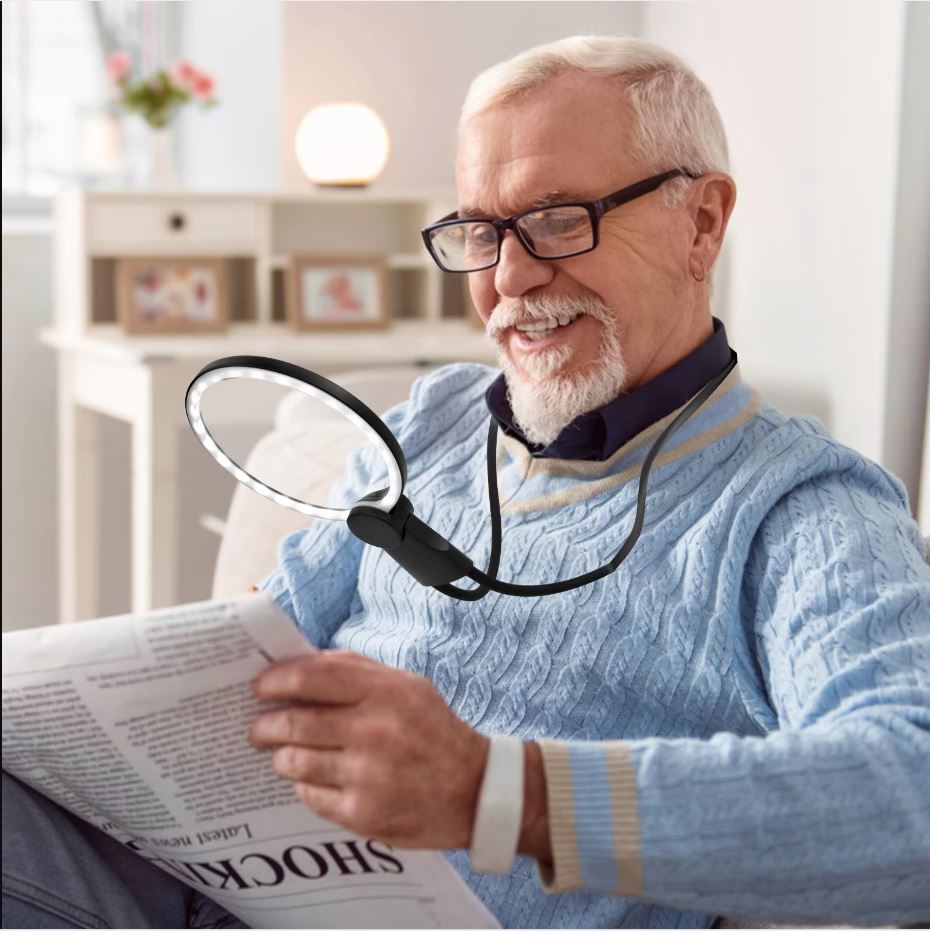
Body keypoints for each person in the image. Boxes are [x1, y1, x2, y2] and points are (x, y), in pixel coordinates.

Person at [4, 35, 929, 930]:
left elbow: (913, 797)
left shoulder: (804, 509)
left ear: (702, 220)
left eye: (561, 219)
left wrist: (499, 794)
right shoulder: (434, 420)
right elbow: (259, 650)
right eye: (479, 232)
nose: (511, 277)